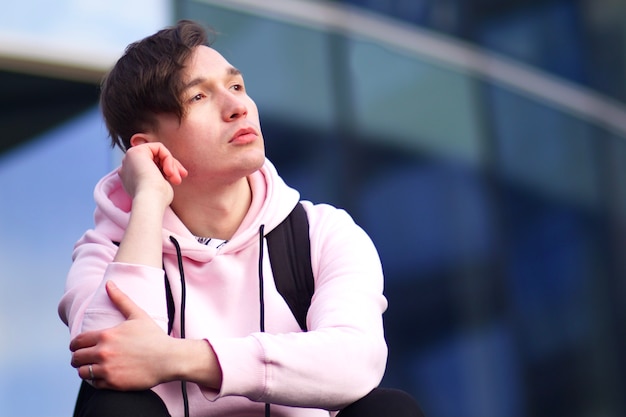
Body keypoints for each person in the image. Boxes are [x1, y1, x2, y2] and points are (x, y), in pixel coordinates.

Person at [58, 19, 424, 417]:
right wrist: (147, 199)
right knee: (115, 406)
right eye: (198, 97)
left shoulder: (321, 233)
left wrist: (179, 358)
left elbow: (357, 362)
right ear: (148, 147)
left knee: (389, 409)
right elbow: (110, 360)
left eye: (235, 87)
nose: (238, 107)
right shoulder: (105, 254)